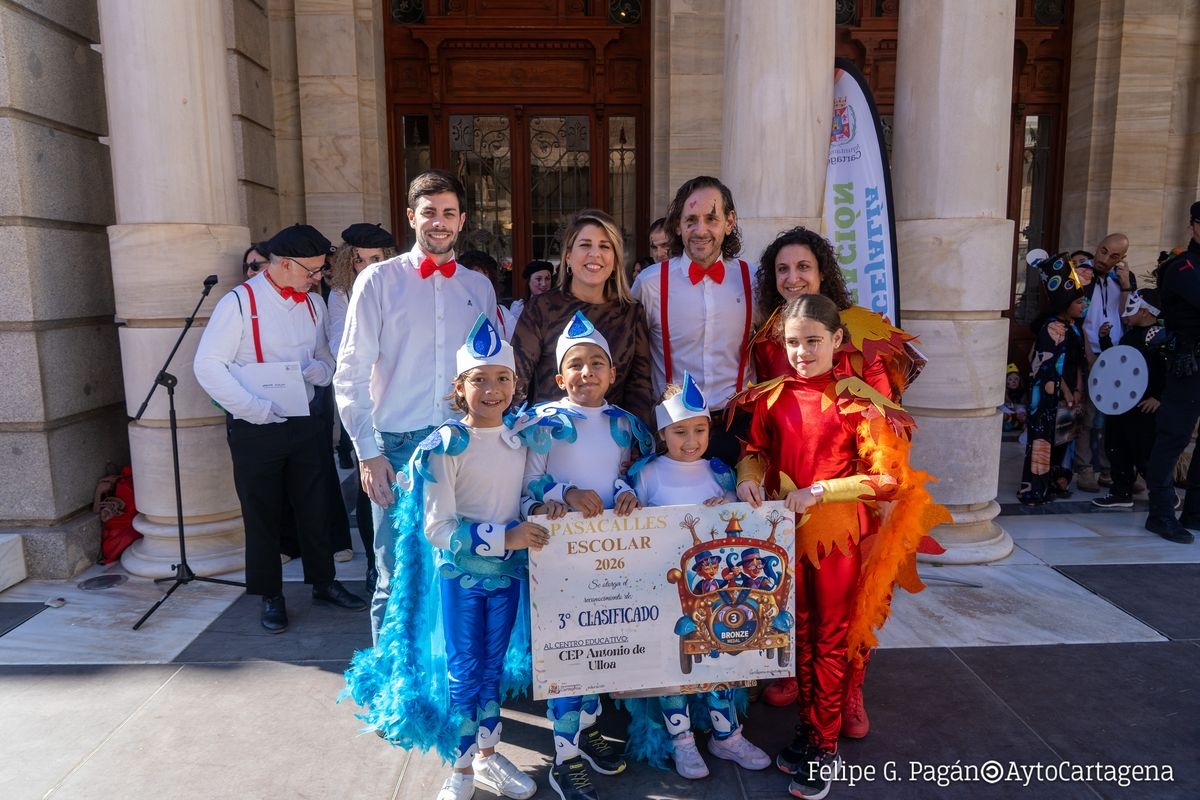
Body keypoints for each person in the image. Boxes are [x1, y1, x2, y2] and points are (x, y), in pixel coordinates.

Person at [734, 294, 944, 800]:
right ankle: (809, 732)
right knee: (798, 638)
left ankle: (824, 748)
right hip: (787, 539)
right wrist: (748, 477)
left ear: (835, 341)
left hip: (839, 541)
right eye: (792, 343)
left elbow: (888, 480)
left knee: (829, 641)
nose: (802, 351)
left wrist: (824, 490)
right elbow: (755, 450)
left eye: (812, 341)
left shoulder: (859, 402)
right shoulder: (769, 396)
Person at [343, 316, 551, 800]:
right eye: (479, 379)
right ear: (460, 388)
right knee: (463, 669)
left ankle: (489, 757)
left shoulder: (521, 440)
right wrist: (506, 537)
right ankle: (459, 770)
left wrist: (546, 506)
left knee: (493, 668)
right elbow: (438, 528)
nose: (492, 389)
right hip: (461, 577)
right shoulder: (445, 444)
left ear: (516, 385)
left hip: (508, 576)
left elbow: (529, 493)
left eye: (502, 378)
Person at [748, 227, 927, 733]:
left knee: (855, 600)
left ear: (822, 272)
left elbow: (884, 413)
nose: (792, 277)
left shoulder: (863, 330)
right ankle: (805, 686)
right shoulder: (768, 339)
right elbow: (773, 410)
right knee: (804, 606)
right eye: (782, 269)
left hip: (855, 487)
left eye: (802, 267)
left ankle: (850, 691)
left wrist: (863, 483)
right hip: (799, 494)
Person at [334, 169, 498, 641]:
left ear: (462, 220)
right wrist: (368, 452)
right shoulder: (377, 282)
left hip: (461, 445)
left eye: (449, 213)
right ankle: (391, 694)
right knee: (394, 574)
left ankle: (451, 679)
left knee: (460, 566)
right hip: (396, 445)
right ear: (412, 217)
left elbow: (486, 375)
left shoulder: (478, 288)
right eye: (429, 213)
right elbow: (351, 371)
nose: (439, 223)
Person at [194, 224, 367, 633]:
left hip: (306, 421)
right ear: (284, 265)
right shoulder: (238, 303)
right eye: (311, 270)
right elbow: (207, 366)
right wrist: (252, 408)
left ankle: (324, 583)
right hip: (256, 428)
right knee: (262, 513)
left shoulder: (313, 304)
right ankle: (270, 595)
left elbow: (327, 358)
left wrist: (319, 371)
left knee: (316, 505)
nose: (316, 277)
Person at [519, 311, 652, 800]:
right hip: (559, 560)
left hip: (608, 558)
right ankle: (564, 757)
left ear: (613, 374)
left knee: (601, 646)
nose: (588, 373)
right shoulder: (543, 423)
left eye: (598, 363)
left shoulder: (624, 424)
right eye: (576, 364)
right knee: (567, 656)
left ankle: (589, 729)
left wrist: (625, 493)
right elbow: (527, 484)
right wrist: (566, 492)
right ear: (559, 377)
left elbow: (628, 474)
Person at [620, 373, 771, 780]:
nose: (691, 441)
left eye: (700, 430)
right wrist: (630, 506)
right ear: (662, 432)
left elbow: (742, 524)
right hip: (663, 593)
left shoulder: (720, 472)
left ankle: (727, 735)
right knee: (672, 671)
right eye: (680, 432)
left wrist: (729, 503)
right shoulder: (646, 473)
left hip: (714, 597)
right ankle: (682, 740)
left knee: (718, 664)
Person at [632, 177, 756, 465]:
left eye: (711, 219)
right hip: (672, 429)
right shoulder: (650, 284)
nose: (701, 230)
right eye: (691, 220)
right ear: (677, 225)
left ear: (729, 222)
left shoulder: (754, 280)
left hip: (737, 427)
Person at [511, 209, 653, 425]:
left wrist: (637, 440)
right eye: (585, 245)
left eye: (605, 246)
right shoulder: (541, 308)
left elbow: (639, 388)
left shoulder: (631, 313)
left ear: (615, 260)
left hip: (613, 442)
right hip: (549, 439)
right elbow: (516, 380)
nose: (594, 254)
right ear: (568, 256)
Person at [327, 222, 398, 586]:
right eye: (363, 260)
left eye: (378, 258)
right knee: (370, 485)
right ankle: (374, 562)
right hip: (363, 402)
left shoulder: (399, 287)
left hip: (397, 397)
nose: (371, 266)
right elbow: (344, 349)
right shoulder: (340, 296)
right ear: (347, 261)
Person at [1144, 202, 1200, 543]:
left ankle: (1195, 511)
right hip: (1188, 362)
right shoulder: (1182, 267)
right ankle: (1160, 513)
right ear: (1193, 225)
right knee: (1174, 437)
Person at [1017, 253, 1087, 505]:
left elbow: (1076, 362)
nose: (1083, 305)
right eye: (1079, 301)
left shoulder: (1074, 328)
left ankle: (1058, 482)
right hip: (1048, 395)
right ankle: (1035, 488)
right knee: (1043, 439)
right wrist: (1066, 392)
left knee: (1065, 438)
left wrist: (1078, 389)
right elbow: (1049, 364)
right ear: (1065, 302)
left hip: (1067, 392)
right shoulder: (1051, 328)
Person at [1092, 289, 1169, 510]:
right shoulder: (1130, 334)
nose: (1126, 314)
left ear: (1145, 312)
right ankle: (1121, 491)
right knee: (1117, 446)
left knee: (1144, 451)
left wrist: (1158, 397)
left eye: (1131, 309)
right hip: (1121, 403)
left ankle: (1164, 495)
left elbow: (1165, 370)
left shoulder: (1157, 336)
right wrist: (1104, 340)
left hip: (1143, 406)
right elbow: (1119, 363)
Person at [1076, 234, 1133, 492]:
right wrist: (1088, 353)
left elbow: (1127, 318)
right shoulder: (1081, 276)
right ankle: (1084, 469)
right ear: (1097, 248)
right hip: (1091, 352)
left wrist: (1125, 286)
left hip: (1116, 354)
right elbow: (1078, 317)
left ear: (1121, 259)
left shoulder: (1119, 280)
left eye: (1113, 256)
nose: (1105, 259)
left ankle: (1111, 469)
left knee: (1114, 416)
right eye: (1103, 251)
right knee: (1089, 416)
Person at [459, 250, 515, 340]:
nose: (480, 279)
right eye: (475, 273)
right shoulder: (449, 306)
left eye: (485, 273)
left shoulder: (502, 313)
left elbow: (516, 345)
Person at [507, 259, 554, 326]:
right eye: (538, 279)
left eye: (547, 279)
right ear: (528, 282)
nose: (544, 284)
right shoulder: (519, 307)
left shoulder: (558, 306)